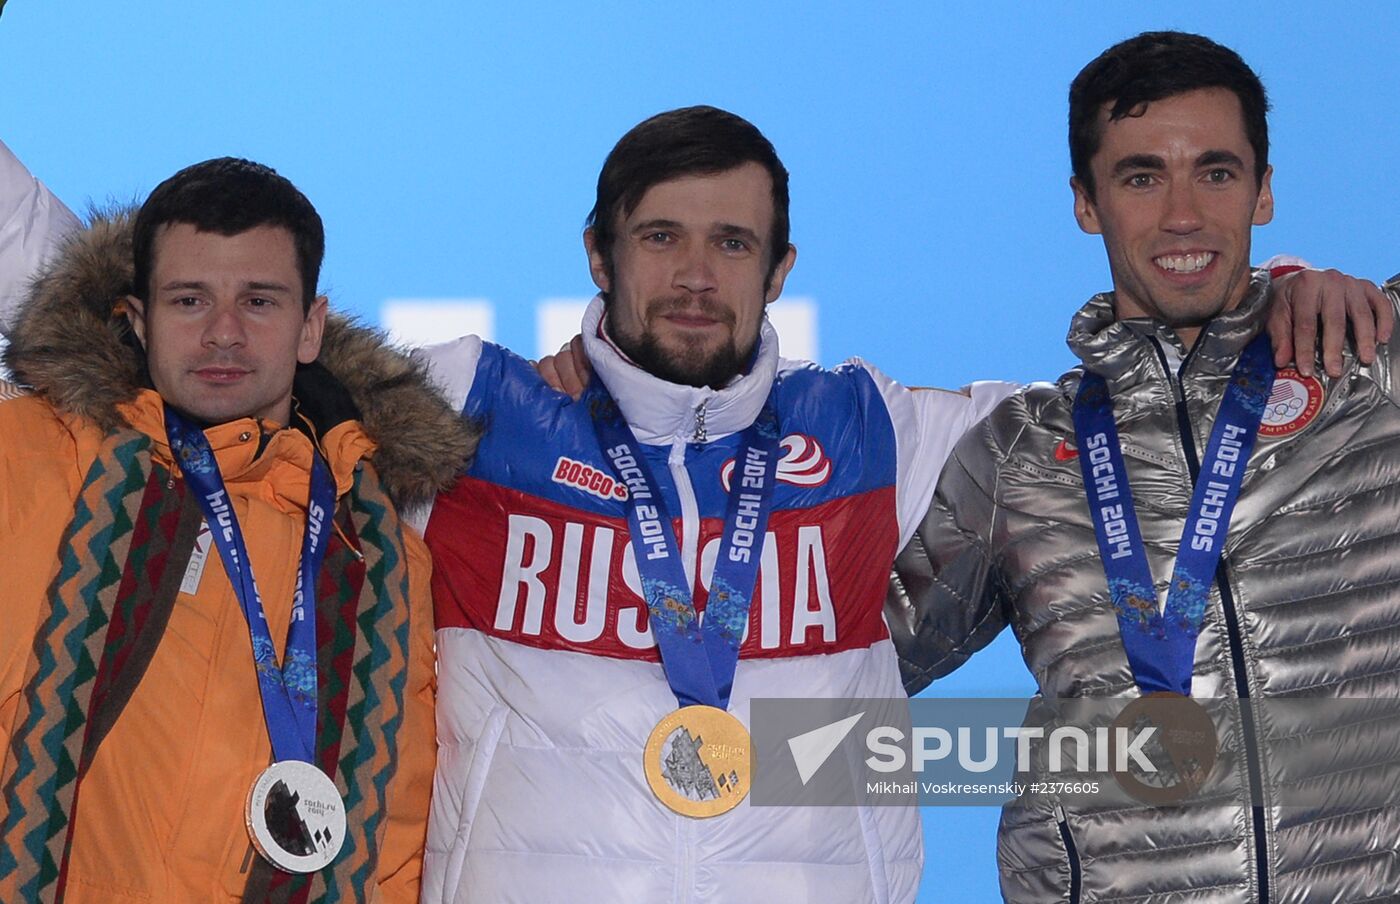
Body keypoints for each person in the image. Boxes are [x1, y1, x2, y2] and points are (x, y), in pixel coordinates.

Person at [413, 104, 1381, 903]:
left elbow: (1149, 405)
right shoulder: (474, 409)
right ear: (598, 254)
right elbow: (275, 359)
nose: (695, 277)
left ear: (780, 268)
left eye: (732, 242)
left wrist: (1286, 308)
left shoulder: (869, 431)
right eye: (660, 237)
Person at [891, 31, 1400, 902]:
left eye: (1216, 171)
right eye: (1139, 177)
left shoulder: (1369, 366)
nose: (1183, 216)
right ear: (1086, 203)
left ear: (1264, 190)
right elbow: (847, 658)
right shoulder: (1020, 450)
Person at [0, 157, 472, 902]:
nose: (224, 333)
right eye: (189, 300)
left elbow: (395, 838)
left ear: (310, 327)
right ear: (136, 319)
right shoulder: (25, 456)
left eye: (259, 301)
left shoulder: (380, 554)